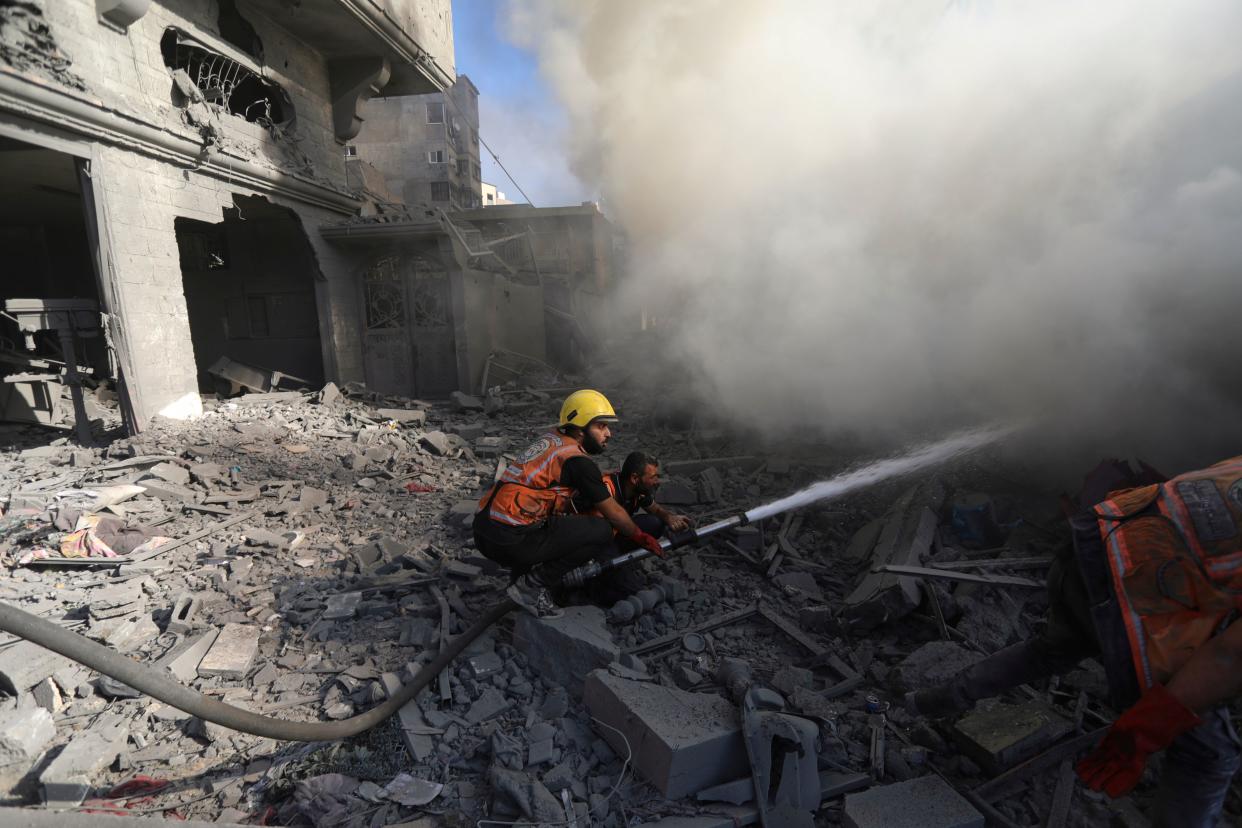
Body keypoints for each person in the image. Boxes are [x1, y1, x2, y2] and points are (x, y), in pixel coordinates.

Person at [905, 456, 1242, 828]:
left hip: (1094, 542)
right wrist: (1148, 726)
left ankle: (927, 702)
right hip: (1132, 604)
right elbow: (1230, 654)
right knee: (1208, 756)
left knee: (1048, 651)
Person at [472, 389, 664, 618]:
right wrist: (639, 535)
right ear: (581, 428)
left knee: (547, 522)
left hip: (484, 528)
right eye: (601, 426)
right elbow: (612, 512)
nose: (608, 433)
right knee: (600, 530)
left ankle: (519, 586)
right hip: (508, 539)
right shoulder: (578, 462)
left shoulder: (551, 441)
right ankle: (532, 586)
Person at [584, 451, 693, 604]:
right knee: (626, 591)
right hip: (596, 541)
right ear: (635, 478)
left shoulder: (638, 490)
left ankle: (621, 563)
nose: (657, 481)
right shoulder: (607, 489)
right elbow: (596, 532)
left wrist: (669, 517)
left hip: (616, 535)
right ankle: (594, 586)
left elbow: (655, 509)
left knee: (656, 522)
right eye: (653, 477)